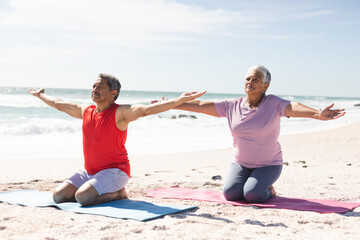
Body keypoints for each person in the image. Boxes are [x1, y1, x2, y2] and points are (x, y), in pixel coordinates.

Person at [165, 65, 346, 203]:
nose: (250, 82)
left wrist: (317, 114)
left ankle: (270, 190)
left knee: (252, 194)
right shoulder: (231, 105)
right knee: (230, 194)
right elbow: (200, 106)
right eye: (248, 78)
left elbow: (293, 107)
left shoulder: (274, 103)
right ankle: (251, 181)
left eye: (256, 79)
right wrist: (172, 104)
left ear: (265, 85)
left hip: (269, 164)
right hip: (241, 164)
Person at [28, 73, 206, 206]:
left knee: (82, 198)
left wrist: (179, 100)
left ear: (113, 93)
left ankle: (119, 193)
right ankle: (101, 189)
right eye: (94, 86)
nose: (94, 90)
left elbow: (146, 110)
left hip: (115, 171)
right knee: (58, 196)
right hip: (90, 172)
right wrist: (40, 95)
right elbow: (58, 104)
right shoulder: (86, 110)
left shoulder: (120, 113)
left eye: (100, 87)